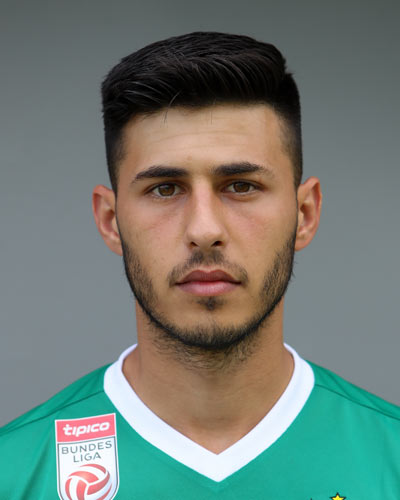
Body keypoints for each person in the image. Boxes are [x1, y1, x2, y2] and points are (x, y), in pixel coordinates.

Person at [1, 32, 399, 500]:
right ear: (111, 222)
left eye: (241, 186)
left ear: (305, 214)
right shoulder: (14, 474)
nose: (204, 229)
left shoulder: (389, 458)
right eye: (165, 189)